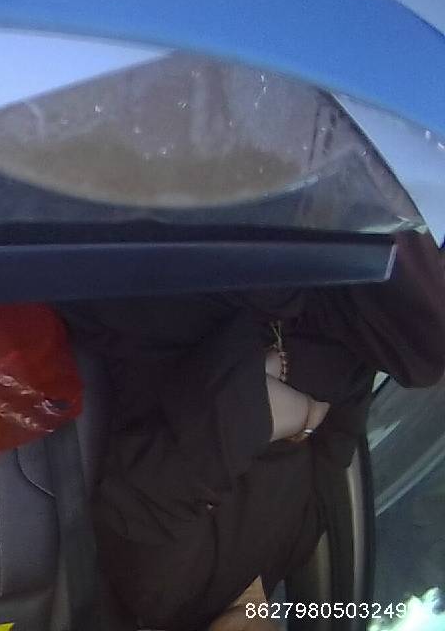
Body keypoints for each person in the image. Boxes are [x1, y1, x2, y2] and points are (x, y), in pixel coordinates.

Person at [61, 231, 445, 631]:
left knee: (424, 345)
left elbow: (212, 409)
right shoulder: (294, 551)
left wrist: (296, 410)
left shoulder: (160, 596)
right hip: (286, 311)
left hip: (176, 306)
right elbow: (346, 416)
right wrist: (292, 399)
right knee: (423, 350)